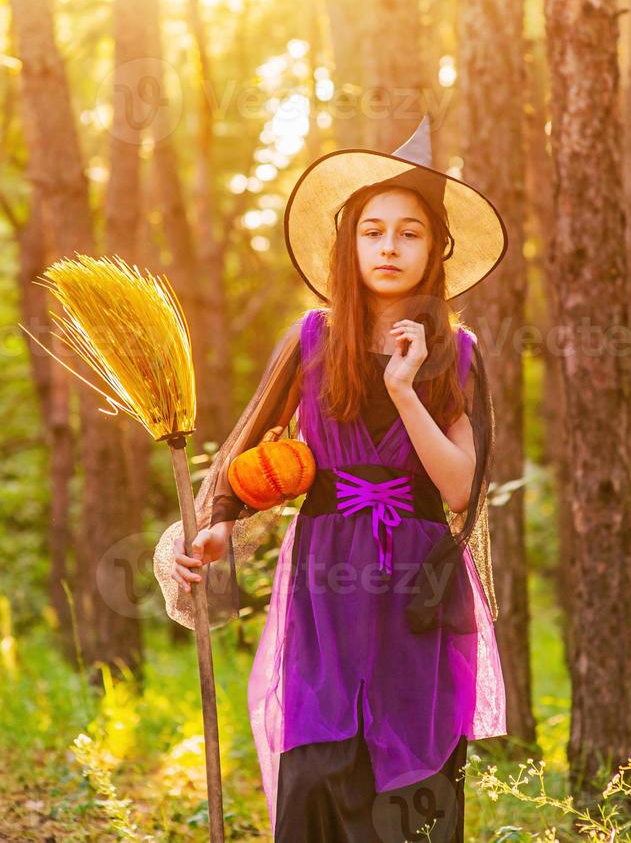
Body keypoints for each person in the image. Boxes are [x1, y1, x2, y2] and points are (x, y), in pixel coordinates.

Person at [153, 113, 508, 841]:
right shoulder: (312, 338)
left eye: (409, 232)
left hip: (420, 591)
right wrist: (220, 526)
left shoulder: (461, 355)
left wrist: (408, 389)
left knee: (412, 784)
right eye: (372, 229)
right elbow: (243, 452)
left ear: (434, 250)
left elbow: (460, 489)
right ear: (349, 243)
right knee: (321, 763)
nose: (388, 246)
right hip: (325, 578)